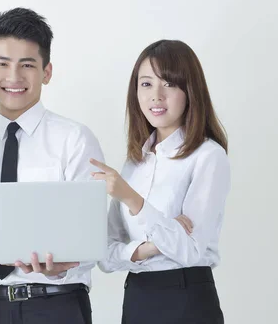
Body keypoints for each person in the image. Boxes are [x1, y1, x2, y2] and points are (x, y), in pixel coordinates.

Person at [0, 8, 104, 324]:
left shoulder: (75, 140)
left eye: (27, 65)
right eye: (2, 64)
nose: (13, 77)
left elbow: (93, 234)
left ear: (47, 72)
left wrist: (64, 262)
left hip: (56, 306)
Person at [91, 40, 229, 323]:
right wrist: (150, 247)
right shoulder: (134, 163)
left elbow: (189, 250)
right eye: (146, 84)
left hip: (187, 296)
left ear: (190, 90)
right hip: (138, 295)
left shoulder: (208, 156)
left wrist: (133, 199)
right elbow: (105, 255)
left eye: (168, 84)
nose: (156, 96)